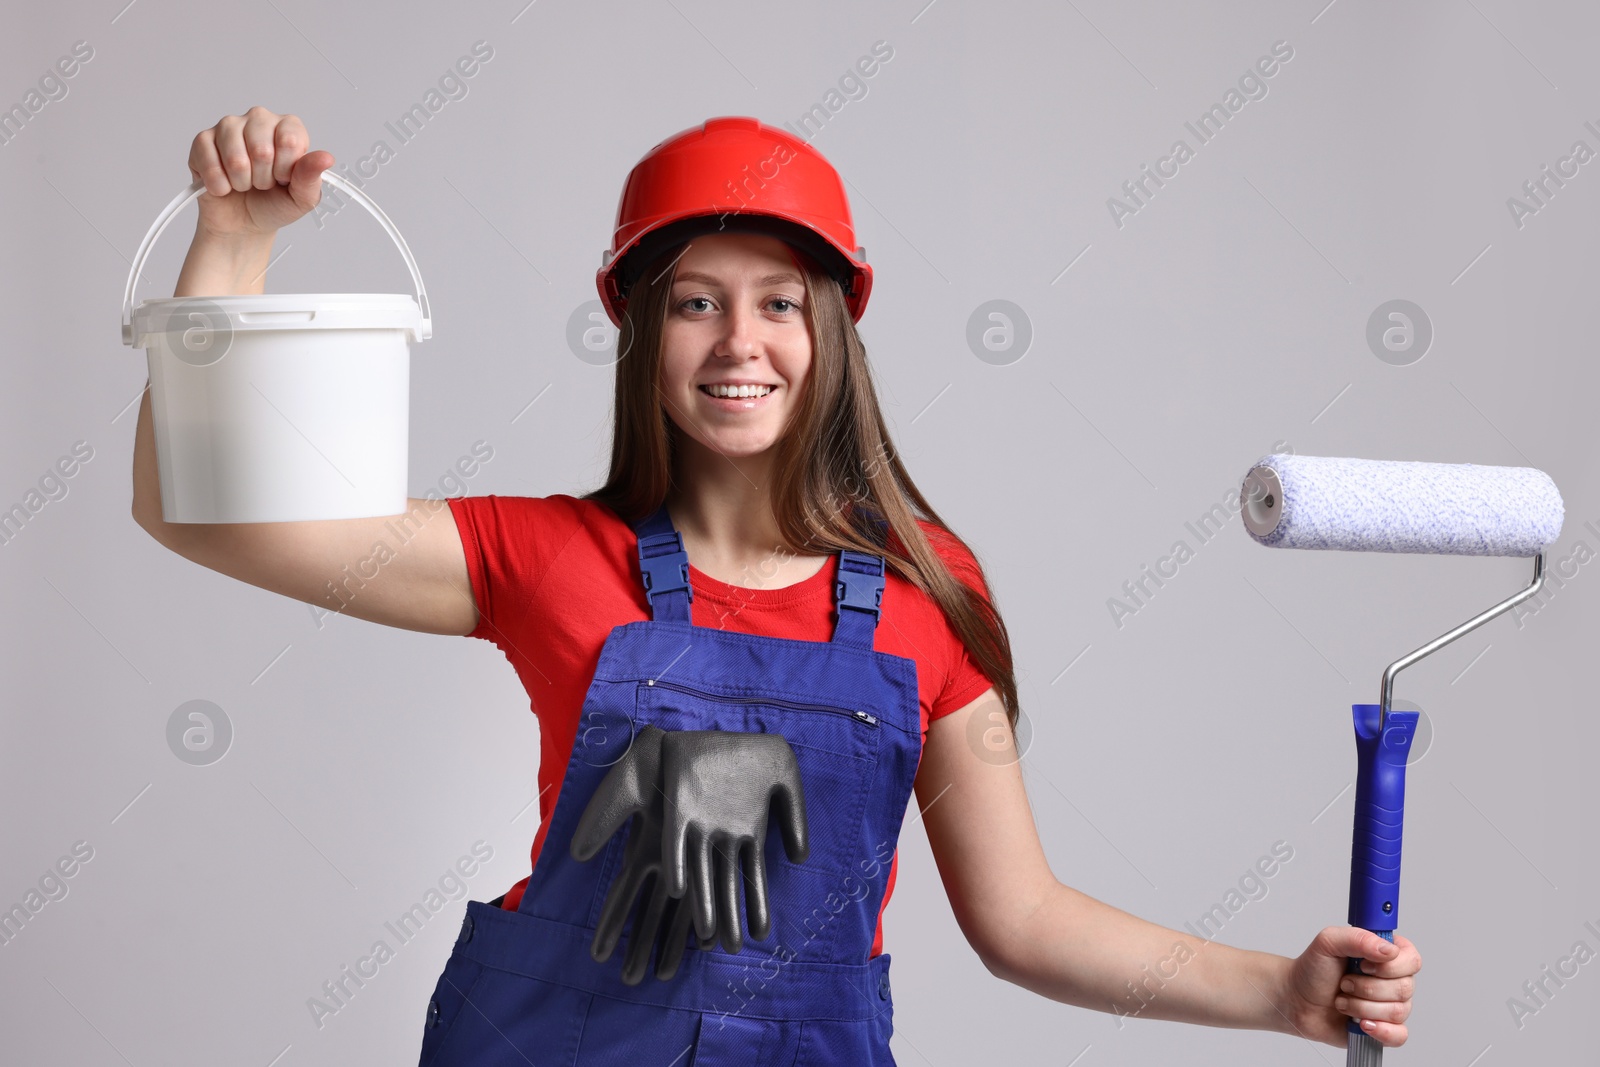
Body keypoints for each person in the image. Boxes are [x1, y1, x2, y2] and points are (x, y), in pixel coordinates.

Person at [133, 107, 1420, 1064]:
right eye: (693, 300)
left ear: (831, 330)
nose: (737, 342)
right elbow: (204, 515)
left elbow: (1020, 916)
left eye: (778, 303)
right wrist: (232, 247)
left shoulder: (929, 585)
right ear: (639, 327)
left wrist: (1278, 989)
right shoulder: (539, 553)